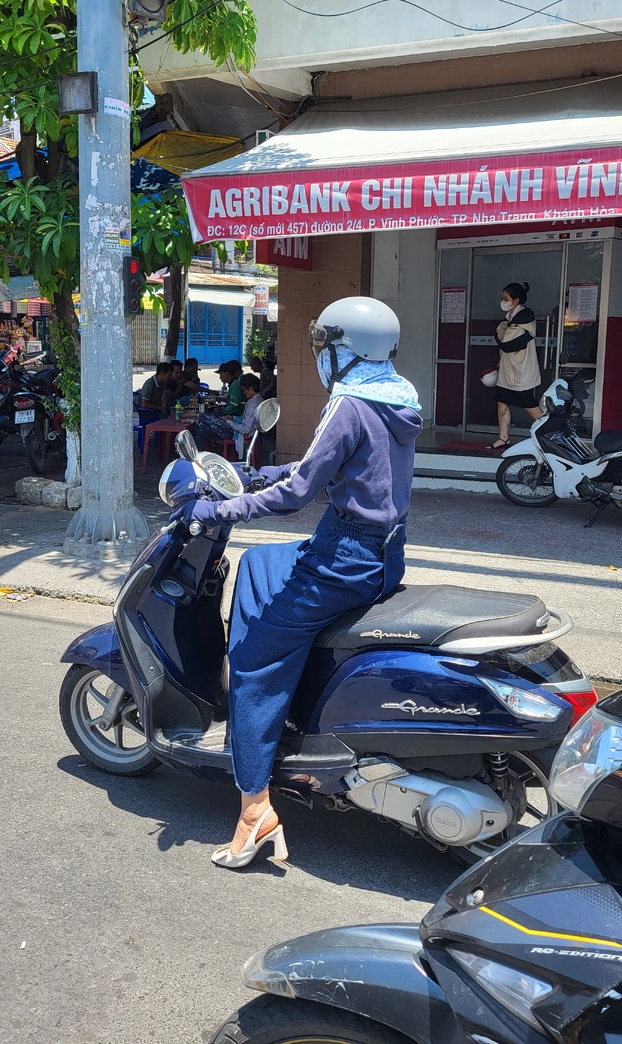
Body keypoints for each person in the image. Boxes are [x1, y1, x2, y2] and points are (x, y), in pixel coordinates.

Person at [184, 297, 422, 869]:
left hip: (342, 557)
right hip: (384, 555)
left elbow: (297, 496)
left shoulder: (349, 404)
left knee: (251, 661)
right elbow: (323, 468)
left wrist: (218, 512)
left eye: (326, 347)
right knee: (259, 568)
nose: (321, 358)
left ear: (348, 349)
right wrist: (251, 473)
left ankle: (253, 810)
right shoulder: (397, 395)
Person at [489, 281, 542, 450]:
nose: (502, 301)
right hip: (508, 371)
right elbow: (502, 337)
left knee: (529, 405)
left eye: (506, 298)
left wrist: (500, 333)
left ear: (516, 300)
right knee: (501, 401)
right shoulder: (509, 319)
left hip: (521, 371)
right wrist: (501, 333)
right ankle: (503, 438)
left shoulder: (525, 318)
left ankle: (551, 432)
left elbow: (506, 342)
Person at [193, 360, 245, 450]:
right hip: (232, 419)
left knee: (202, 416)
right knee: (202, 426)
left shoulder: (235, 385)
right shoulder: (233, 384)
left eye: (220, 374)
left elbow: (233, 405)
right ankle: (197, 449)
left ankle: (196, 449)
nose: (220, 377)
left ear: (226, 374)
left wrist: (222, 411)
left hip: (234, 423)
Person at [225, 373, 263, 459]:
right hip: (251, 430)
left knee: (205, 420)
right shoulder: (259, 399)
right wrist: (233, 418)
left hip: (242, 433)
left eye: (244, 390)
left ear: (251, 389)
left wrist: (227, 421)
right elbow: (246, 419)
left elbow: (245, 429)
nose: (243, 392)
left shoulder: (252, 405)